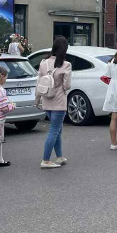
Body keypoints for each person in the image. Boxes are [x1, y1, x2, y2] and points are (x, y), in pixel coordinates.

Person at [35, 36, 72, 168]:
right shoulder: (66, 65)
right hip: (59, 101)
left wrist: (37, 99)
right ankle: (45, 160)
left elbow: (39, 83)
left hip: (46, 100)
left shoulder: (43, 63)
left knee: (57, 130)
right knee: (54, 130)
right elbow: (67, 86)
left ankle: (59, 156)